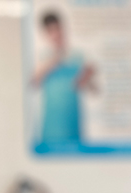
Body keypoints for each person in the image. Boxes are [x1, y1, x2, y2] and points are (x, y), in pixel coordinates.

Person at [31, 11, 96, 147]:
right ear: (45, 34)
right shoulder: (42, 56)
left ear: (63, 28)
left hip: (73, 124)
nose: (56, 34)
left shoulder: (78, 55)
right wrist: (57, 58)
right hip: (52, 126)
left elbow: (92, 90)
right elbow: (33, 82)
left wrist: (87, 76)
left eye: (57, 29)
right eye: (51, 31)